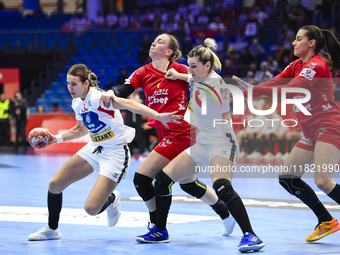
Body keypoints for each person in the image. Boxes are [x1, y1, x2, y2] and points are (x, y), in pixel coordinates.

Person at [135, 38, 265, 252]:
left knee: (221, 186)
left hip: (222, 142)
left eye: (194, 66)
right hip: (202, 143)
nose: (190, 70)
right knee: (162, 180)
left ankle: (251, 235)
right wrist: (179, 75)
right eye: (189, 65)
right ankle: (160, 230)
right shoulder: (198, 77)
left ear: (207, 66)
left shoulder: (214, 86)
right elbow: (192, 79)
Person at [100, 33, 234, 240]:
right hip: (164, 132)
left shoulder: (180, 69)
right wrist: (109, 93)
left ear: (169, 51)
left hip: (182, 130)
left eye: (160, 41)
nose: (154, 42)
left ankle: (157, 225)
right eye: (153, 40)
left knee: (143, 179)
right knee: (188, 183)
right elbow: (122, 93)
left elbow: (209, 80)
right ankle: (226, 213)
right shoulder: (143, 72)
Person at [27, 64, 182, 241]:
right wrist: (56, 138)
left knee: (91, 209)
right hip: (94, 148)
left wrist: (159, 116)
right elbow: (80, 130)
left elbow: (129, 103)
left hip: (115, 153)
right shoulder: (77, 102)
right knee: (55, 185)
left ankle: (111, 199)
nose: (70, 88)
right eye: (68, 84)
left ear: (86, 83)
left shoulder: (98, 97)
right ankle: (52, 230)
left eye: (74, 84)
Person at [233, 25, 340, 242]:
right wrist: (248, 90)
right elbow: (276, 82)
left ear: (311, 43)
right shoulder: (296, 65)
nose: (293, 42)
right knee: (288, 178)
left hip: (328, 126)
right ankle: (326, 221)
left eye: (298, 39)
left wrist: (252, 92)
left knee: (323, 181)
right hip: (311, 132)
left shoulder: (316, 65)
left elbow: (290, 88)